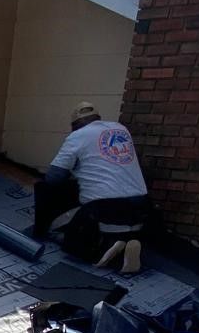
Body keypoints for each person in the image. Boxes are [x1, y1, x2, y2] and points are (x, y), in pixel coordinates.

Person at [33, 102, 150, 274]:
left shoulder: (78, 136)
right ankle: (122, 245)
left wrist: (74, 170)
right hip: (141, 203)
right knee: (119, 223)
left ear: (75, 125)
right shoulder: (120, 129)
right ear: (97, 119)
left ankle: (103, 250)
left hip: (107, 205)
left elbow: (54, 178)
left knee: (46, 189)